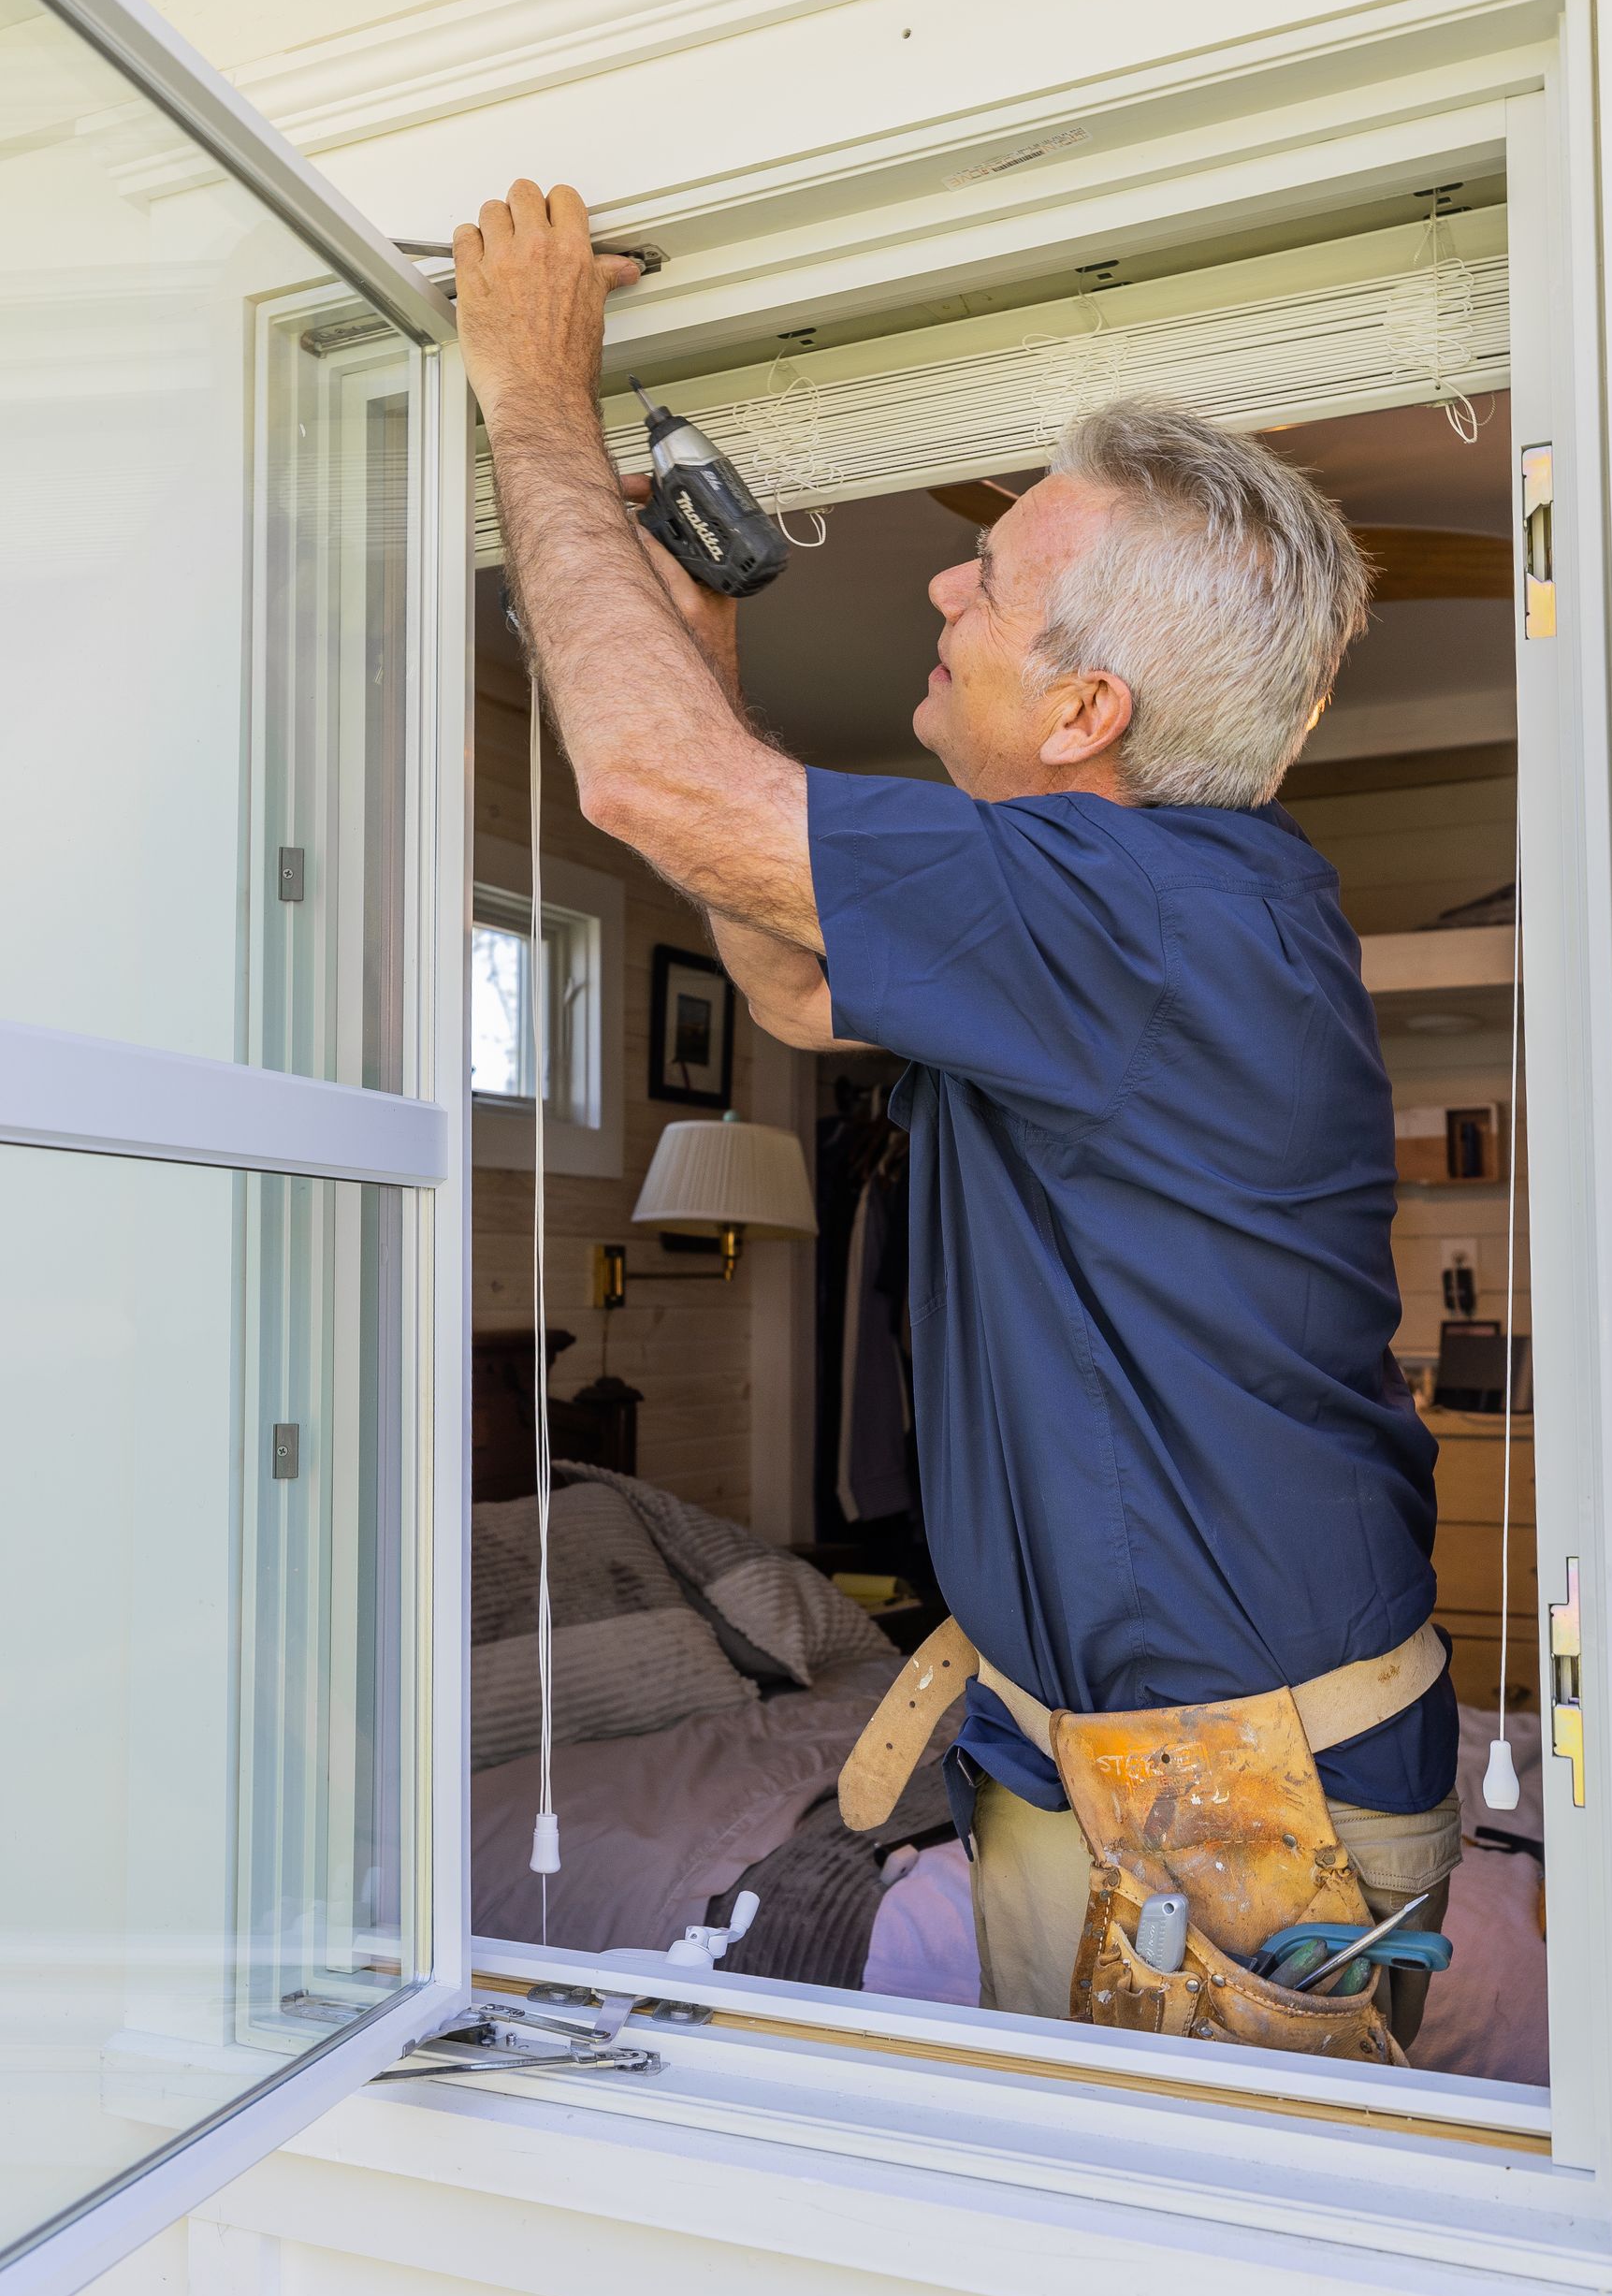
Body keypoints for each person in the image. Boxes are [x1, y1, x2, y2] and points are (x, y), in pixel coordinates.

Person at [453, 181, 1460, 2053]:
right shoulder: (1129, 928)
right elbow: (797, 990)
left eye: (984, 577)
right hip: (1118, 1764)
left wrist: (531, 398)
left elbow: (637, 781)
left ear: (1085, 712)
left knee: (1172, 2289)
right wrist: (719, 672)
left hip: (1235, 1808)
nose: (936, 582)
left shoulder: (1158, 910)